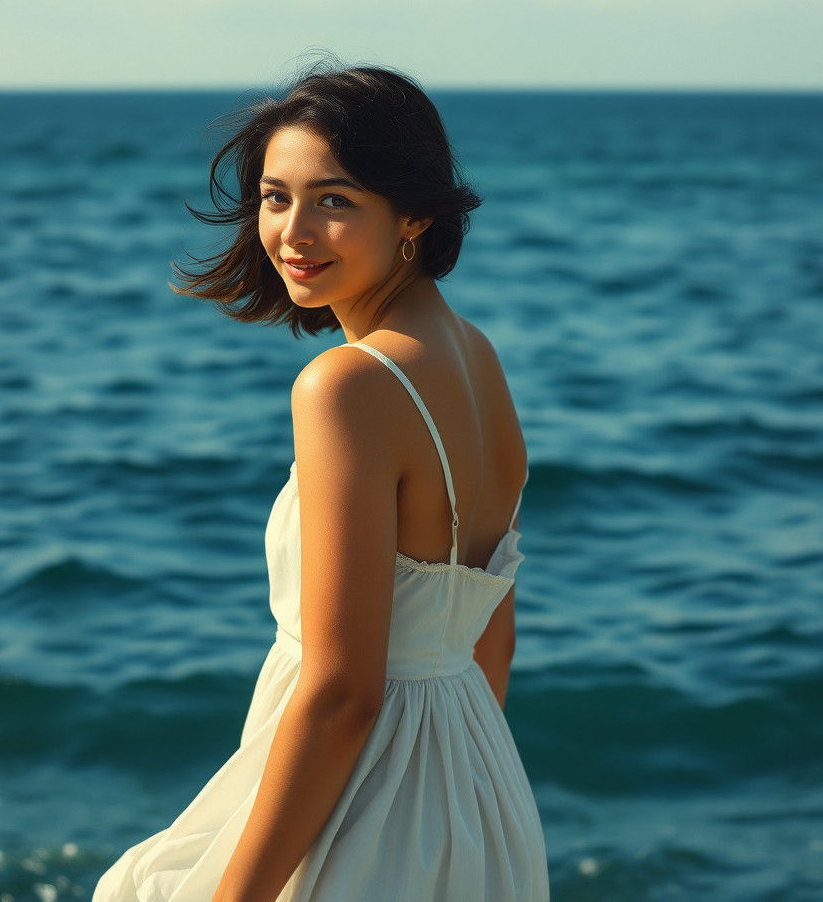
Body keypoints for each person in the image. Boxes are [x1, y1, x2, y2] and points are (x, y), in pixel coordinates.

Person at [92, 59, 549, 902]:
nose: (293, 233)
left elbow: (344, 692)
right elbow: (492, 636)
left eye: (334, 200)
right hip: (478, 791)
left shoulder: (348, 385)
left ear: (413, 213)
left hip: (366, 801)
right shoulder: (477, 357)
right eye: (276, 196)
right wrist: (454, 796)